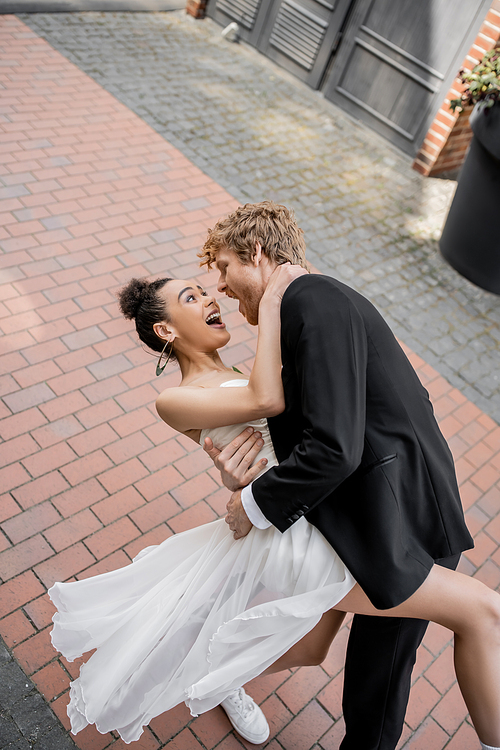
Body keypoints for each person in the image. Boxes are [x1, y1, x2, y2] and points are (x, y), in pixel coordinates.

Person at [198, 200, 500, 750]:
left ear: (258, 253)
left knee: (388, 666)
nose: (219, 285)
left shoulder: (314, 299)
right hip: (392, 512)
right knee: (377, 676)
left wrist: (252, 505)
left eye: (222, 267)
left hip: (400, 519)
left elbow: (334, 446)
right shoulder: (305, 308)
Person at [48, 266, 358, 745]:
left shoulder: (235, 372)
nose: (211, 298)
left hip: (297, 504)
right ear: (165, 330)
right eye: (191, 298)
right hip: (283, 528)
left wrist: (234, 482)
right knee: (361, 595)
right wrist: (273, 300)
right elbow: (268, 398)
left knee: (313, 648)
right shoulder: (175, 399)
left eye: (205, 291)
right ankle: (221, 680)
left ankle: (220, 676)